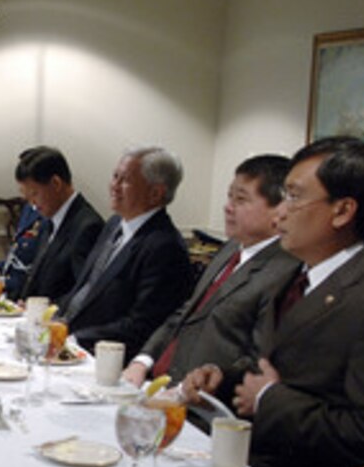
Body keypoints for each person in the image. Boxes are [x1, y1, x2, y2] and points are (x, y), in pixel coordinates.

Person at [185, 136, 364, 467]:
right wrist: (222, 378)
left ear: (342, 211)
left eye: (293, 197)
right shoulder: (297, 273)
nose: (280, 215)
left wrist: (271, 399)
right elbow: (270, 362)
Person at [123, 154, 298, 400]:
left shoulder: (284, 271)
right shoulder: (230, 249)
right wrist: (142, 361)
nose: (228, 206)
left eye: (241, 199)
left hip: (200, 404)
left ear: (277, 212)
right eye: (230, 196)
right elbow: (186, 312)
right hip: (154, 383)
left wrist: (185, 391)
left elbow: (258, 359)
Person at [56, 146, 191, 359]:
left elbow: (141, 325)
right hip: (68, 340)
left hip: (105, 357)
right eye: (115, 176)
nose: (114, 186)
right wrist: (52, 317)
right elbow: (86, 289)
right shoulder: (114, 223)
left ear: (155, 193)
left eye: (125, 180)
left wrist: (74, 339)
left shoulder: (165, 247)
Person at [13, 146, 104, 303]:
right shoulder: (49, 219)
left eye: (35, 194)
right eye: (28, 197)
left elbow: (84, 293)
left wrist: (41, 309)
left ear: (56, 183)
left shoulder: (87, 227)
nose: (33, 205)